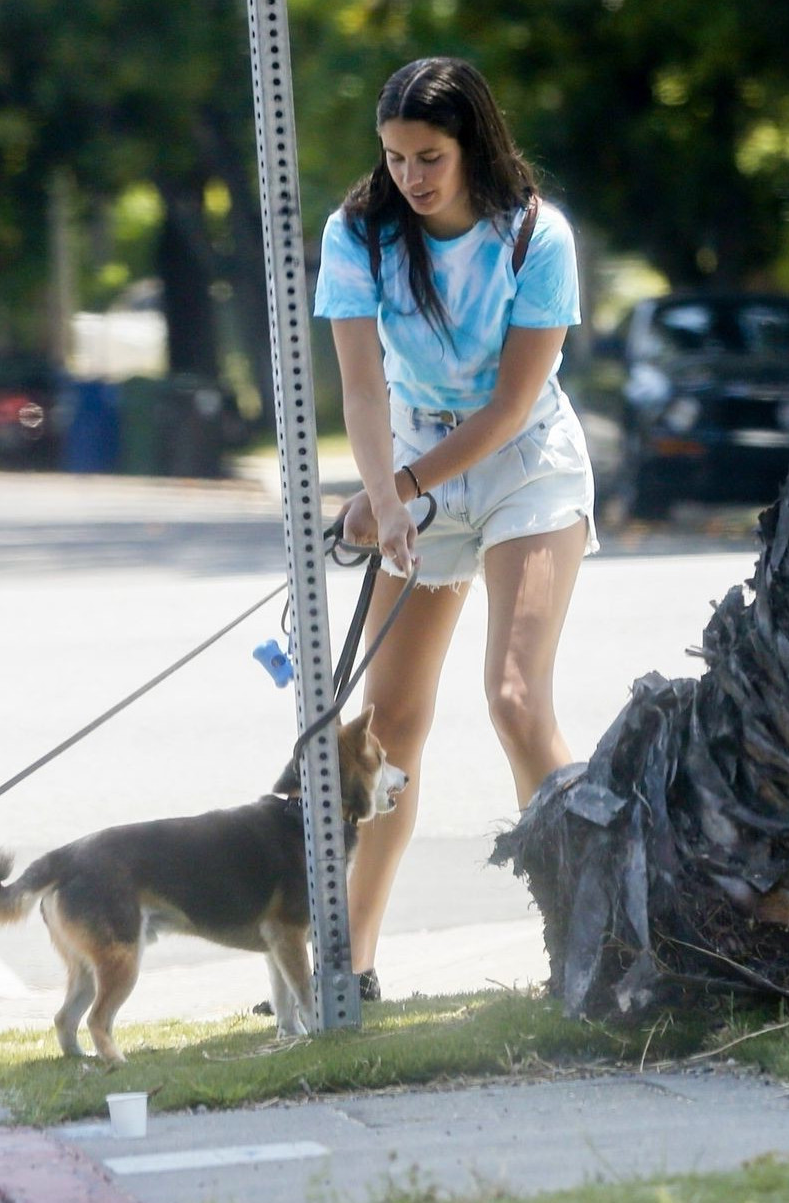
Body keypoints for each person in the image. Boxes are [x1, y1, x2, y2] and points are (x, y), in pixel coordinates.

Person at [313, 56, 597, 1002]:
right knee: (388, 727)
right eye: (394, 157)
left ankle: (591, 942)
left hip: (525, 463)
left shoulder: (536, 237)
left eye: (429, 157)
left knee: (514, 698)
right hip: (414, 454)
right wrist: (383, 494)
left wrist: (397, 491)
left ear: (472, 144)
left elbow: (511, 408)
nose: (410, 177)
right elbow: (362, 388)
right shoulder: (358, 233)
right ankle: (347, 969)